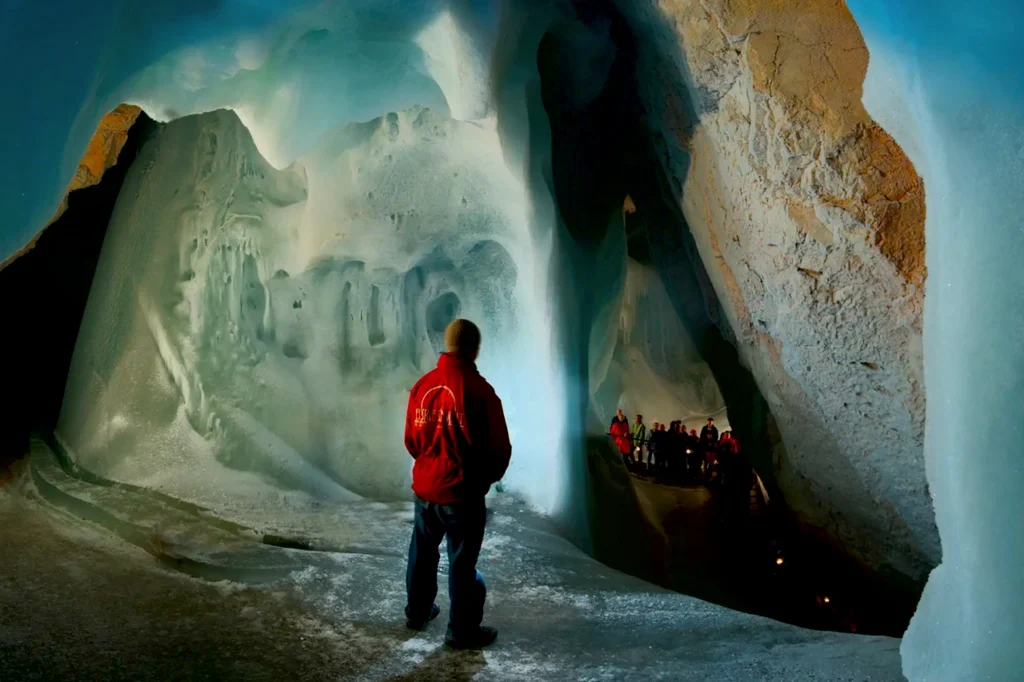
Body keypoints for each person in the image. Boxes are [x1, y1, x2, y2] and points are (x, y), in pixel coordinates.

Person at [404, 319, 511, 649]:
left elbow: (411, 440)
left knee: (421, 554)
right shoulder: (481, 393)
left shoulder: (424, 386)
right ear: (475, 349)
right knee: (462, 564)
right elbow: (499, 449)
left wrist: (428, 465)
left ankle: (418, 612)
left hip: (425, 490)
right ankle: (461, 630)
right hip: (463, 493)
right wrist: (484, 480)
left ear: (447, 345)